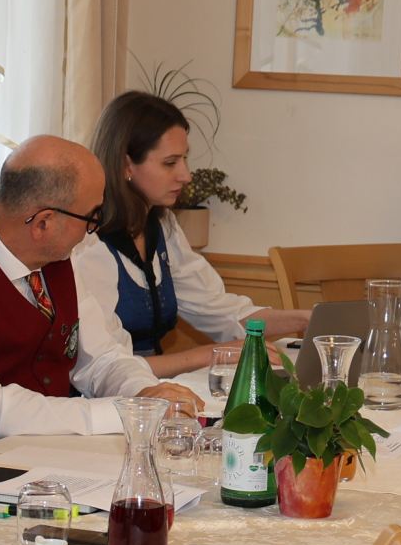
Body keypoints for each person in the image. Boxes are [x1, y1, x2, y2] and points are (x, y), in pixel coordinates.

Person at [0, 133, 203, 436]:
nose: (93, 228)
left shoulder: (60, 258)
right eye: (92, 216)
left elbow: (102, 357)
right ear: (44, 222)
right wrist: (122, 413)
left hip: (57, 451)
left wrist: (144, 392)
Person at [76, 89, 310, 375]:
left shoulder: (163, 227)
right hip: (106, 396)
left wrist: (305, 319)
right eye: (170, 163)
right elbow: (106, 367)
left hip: (151, 388)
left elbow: (220, 311)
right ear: (126, 165)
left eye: (184, 159)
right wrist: (214, 354)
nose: (186, 175)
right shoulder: (88, 244)